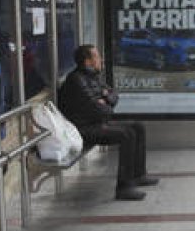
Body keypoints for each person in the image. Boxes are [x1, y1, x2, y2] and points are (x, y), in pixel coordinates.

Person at [58, 44, 159, 200]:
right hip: (83, 129)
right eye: (97, 56)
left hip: (97, 123)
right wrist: (105, 101)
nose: (101, 60)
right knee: (126, 134)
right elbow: (98, 109)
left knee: (138, 126)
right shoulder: (76, 80)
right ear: (87, 61)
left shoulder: (93, 77)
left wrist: (105, 99)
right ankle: (124, 187)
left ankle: (139, 175)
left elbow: (114, 96)